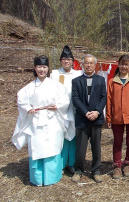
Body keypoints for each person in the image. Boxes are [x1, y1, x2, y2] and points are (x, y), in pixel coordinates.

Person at [12, 55, 70, 186]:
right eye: (39, 67)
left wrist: (58, 106)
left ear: (48, 68)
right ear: (35, 68)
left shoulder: (56, 85)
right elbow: (21, 99)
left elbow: (65, 99)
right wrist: (28, 108)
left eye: (44, 67)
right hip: (36, 120)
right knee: (36, 148)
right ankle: (37, 178)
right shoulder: (29, 87)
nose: (42, 70)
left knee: (52, 147)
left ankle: (52, 177)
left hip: (52, 120)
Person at [71, 54, 107, 183]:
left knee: (96, 146)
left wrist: (97, 112)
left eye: (91, 63)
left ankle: (96, 171)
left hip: (96, 119)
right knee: (80, 147)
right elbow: (75, 99)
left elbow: (104, 97)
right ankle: (78, 170)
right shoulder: (76, 81)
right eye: (86, 63)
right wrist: (86, 112)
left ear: (95, 65)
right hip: (82, 118)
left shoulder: (100, 80)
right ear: (82, 64)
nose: (89, 65)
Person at [106, 55, 129, 179]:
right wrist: (108, 117)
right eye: (122, 64)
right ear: (118, 65)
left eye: (126, 64)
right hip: (117, 117)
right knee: (117, 142)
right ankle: (117, 165)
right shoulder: (112, 81)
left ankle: (127, 163)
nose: (124, 66)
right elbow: (109, 101)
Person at [51, 45, 82, 174]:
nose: (66, 61)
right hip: (59, 112)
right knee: (61, 136)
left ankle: (73, 163)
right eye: (64, 59)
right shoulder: (54, 74)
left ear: (72, 61)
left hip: (75, 109)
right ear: (60, 61)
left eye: (69, 59)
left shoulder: (78, 74)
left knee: (74, 136)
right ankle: (62, 163)